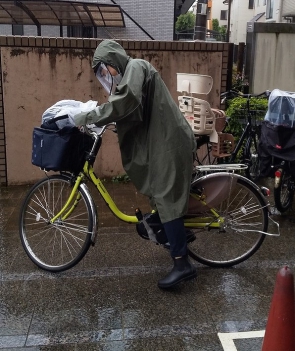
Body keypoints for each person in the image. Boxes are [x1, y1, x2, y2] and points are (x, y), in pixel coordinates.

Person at [74, 39, 197, 289]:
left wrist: (89, 116)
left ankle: (182, 264)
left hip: (169, 142)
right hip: (161, 140)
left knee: (165, 197)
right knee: (158, 196)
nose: (105, 76)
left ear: (112, 61)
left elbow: (126, 101)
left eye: (103, 70)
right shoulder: (132, 73)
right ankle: (179, 234)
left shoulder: (136, 67)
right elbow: (132, 109)